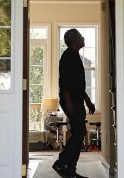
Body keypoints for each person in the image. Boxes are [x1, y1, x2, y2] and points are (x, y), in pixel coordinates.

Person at [52, 28, 95, 178]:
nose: (83, 38)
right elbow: (63, 82)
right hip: (70, 101)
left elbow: (78, 84)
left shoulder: (75, 56)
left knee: (79, 133)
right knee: (79, 133)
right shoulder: (67, 57)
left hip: (77, 100)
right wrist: (68, 103)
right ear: (74, 40)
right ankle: (61, 162)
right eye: (80, 36)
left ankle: (70, 171)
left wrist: (88, 101)